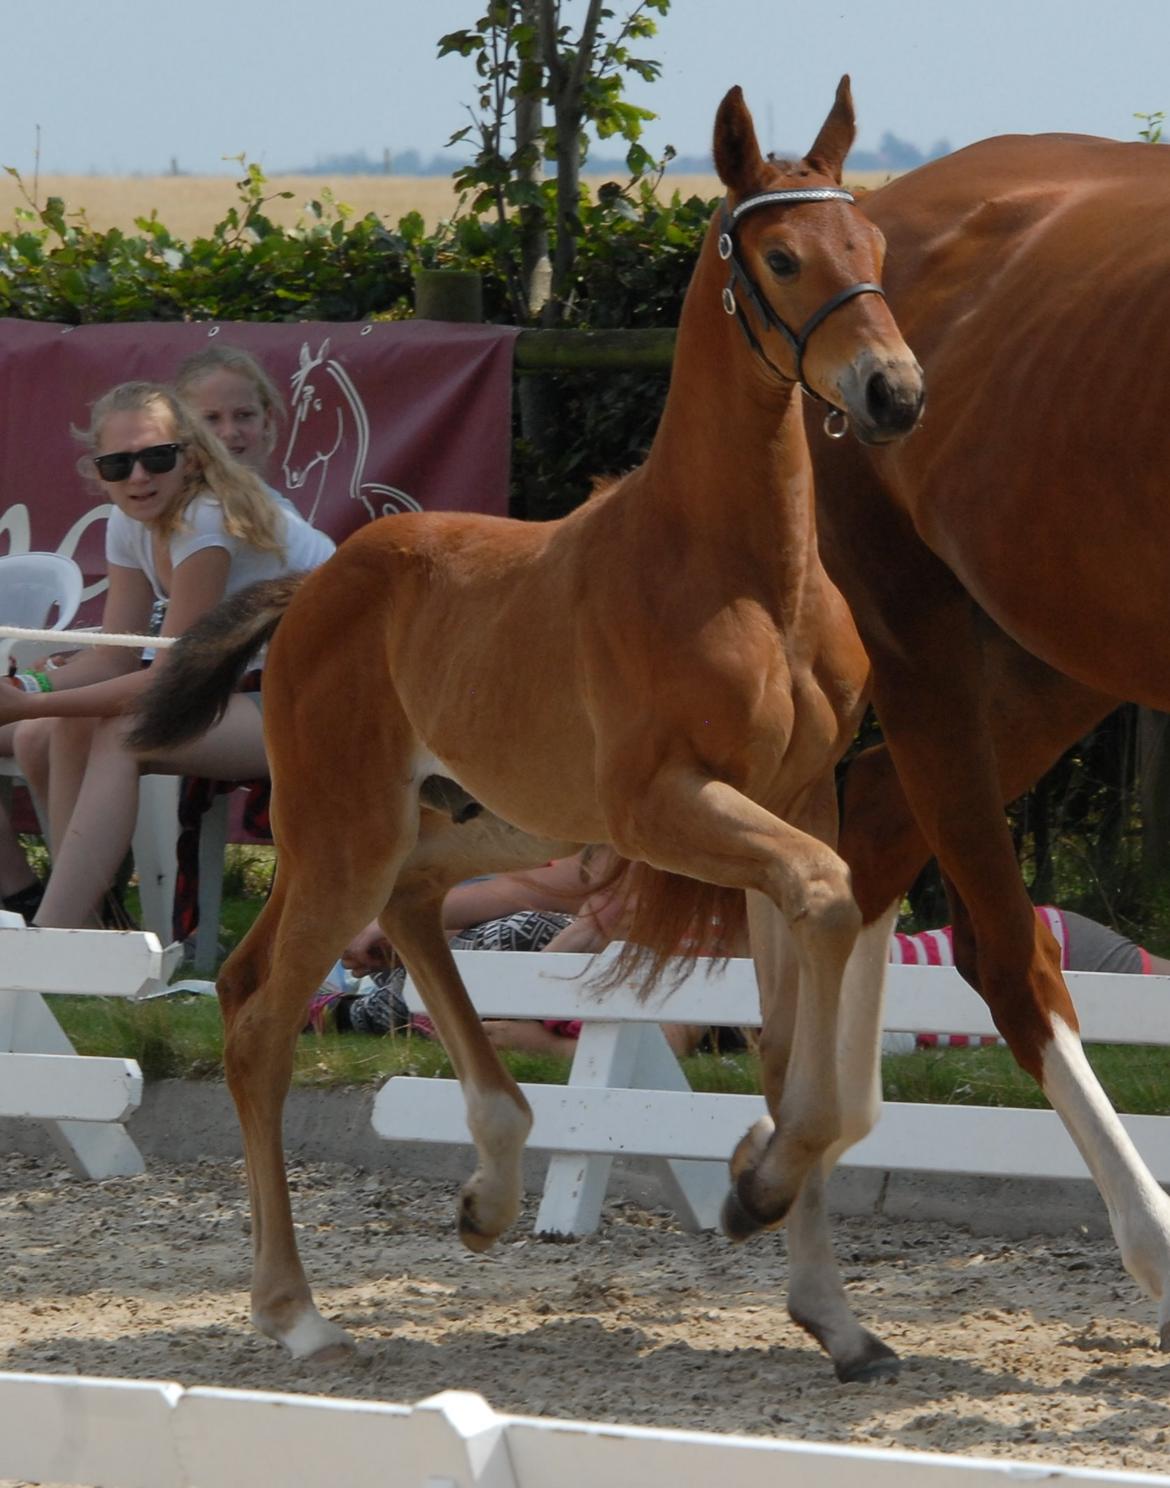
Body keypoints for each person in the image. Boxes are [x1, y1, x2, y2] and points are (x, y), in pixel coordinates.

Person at [0, 379, 335, 929]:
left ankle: (54, 936)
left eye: (156, 457)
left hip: (330, 700)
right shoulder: (126, 520)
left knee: (122, 734)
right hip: (257, 685)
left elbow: (169, 680)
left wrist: (22, 706)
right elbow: (117, 658)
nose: (137, 477)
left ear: (192, 457)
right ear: (98, 470)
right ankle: (77, 927)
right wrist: (28, 690)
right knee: (72, 724)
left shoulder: (206, 517)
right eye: (117, 465)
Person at [308, 849, 744, 1057]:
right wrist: (395, 926)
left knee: (518, 933)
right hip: (575, 991)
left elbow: (667, 1047)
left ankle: (347, 1013)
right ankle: (394, 993)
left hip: (630, 1011)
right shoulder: (628, 869)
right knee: (500, 934)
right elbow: (528, 898)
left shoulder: (717, 924)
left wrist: (533, 1041)